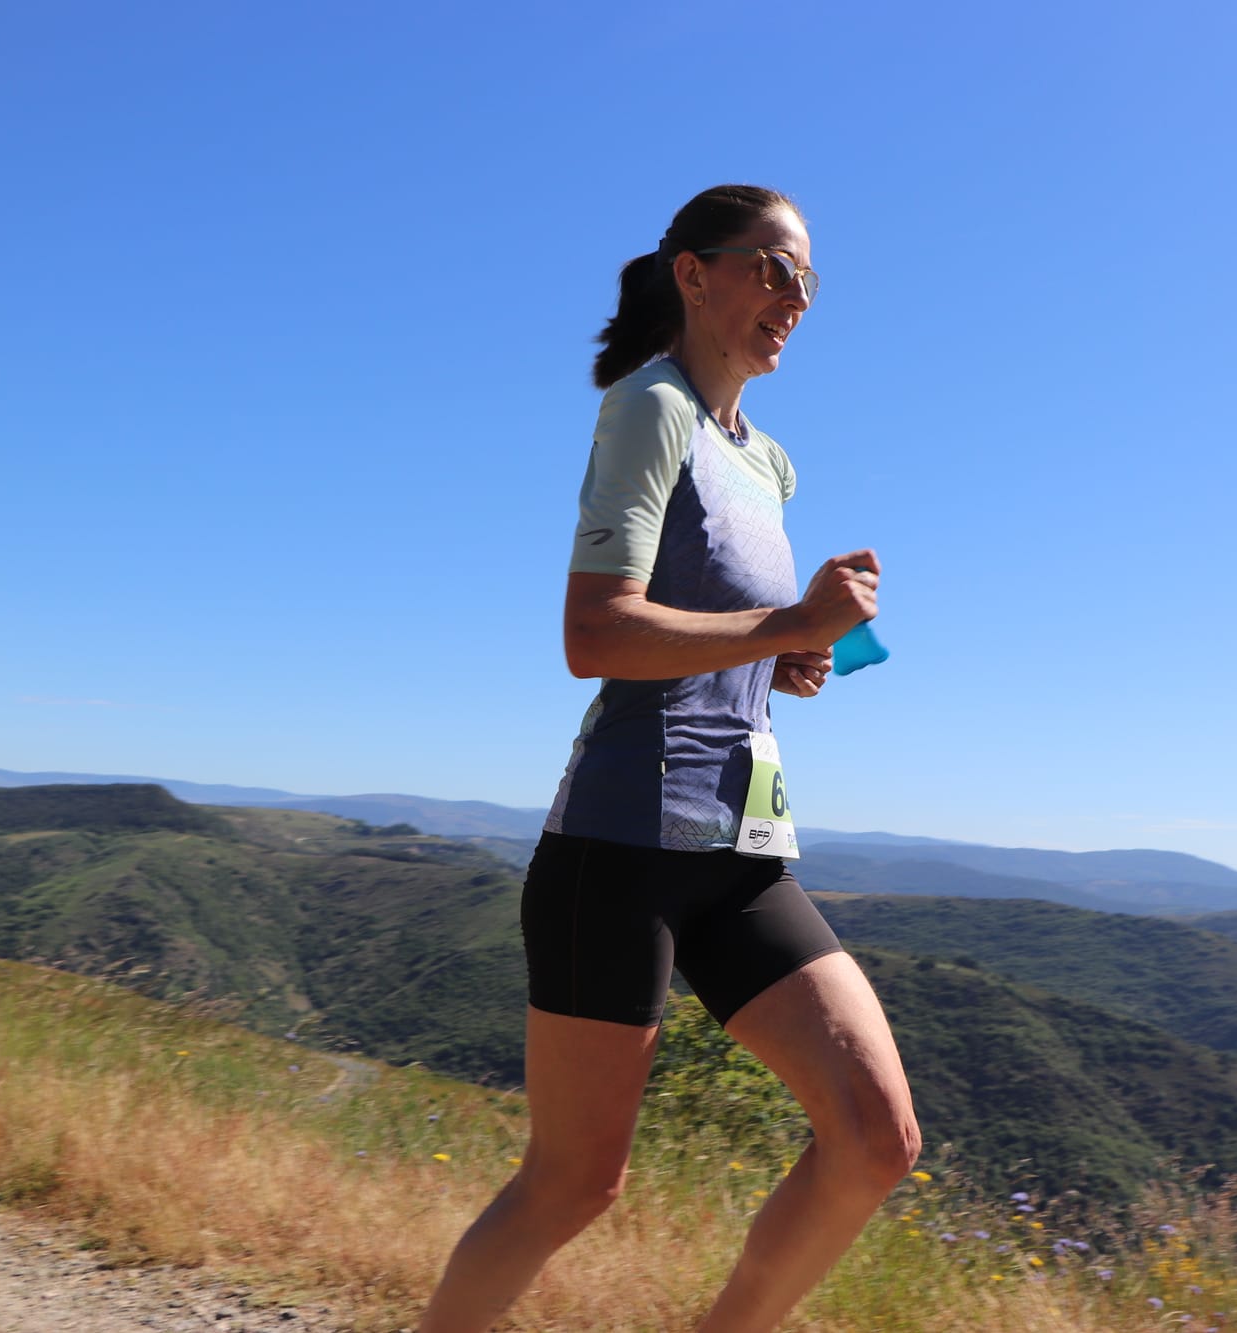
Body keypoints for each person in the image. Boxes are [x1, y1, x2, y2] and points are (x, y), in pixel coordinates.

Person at [417, 185, 920, 1333]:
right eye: (769, 270)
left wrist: (791, 657)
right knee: (575, 1185)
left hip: (741, 852)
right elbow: (592, 636)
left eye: (806, 281)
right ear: (692, 275)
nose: (791, 299)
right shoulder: (647, 409)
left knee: (877, 1138)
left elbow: (722, 636)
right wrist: (787, 627)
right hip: (619, 848)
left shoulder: (770, 464)